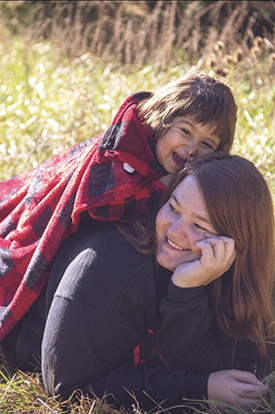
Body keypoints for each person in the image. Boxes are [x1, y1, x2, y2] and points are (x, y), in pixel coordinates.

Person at [2, 151, 274, 412]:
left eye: (200, 226)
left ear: (237, 242)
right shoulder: (108, 270)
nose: (175, 231)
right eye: (174, 208)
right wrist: (198, 390)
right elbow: (68, 388)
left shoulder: (233, 268)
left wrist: (186, 291)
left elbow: (238, 361)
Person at [0, 71, 237, 341]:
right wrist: (164, 186)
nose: (192, 148)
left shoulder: (175, 170)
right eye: (185, 131)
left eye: (206, 144)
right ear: (162, 120)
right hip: (42, 219)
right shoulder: (123, 149)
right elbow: (101, 205)